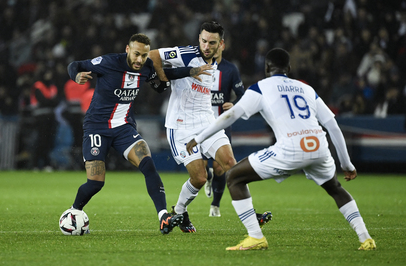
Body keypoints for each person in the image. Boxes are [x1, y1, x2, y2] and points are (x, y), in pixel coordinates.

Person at [186, 48, 376, 251]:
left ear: (267, 67)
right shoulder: (307, 89)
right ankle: (365, 239)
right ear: (289, 68)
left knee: (234, 177)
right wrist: (346, 164)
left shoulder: (260, 88)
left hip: (291, 149)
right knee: (335, 188)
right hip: (319, 147)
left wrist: (199, 137)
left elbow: (230, 116)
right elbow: (333, 126)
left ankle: (255, 237)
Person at [65, 33, 209, 235]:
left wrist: (191, 71)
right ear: (127, 50)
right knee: (95, 183)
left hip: (124, 128)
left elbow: (167, 74)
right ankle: (74, 211)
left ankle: (163, 217)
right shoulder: (108, 62)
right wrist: (76, 75)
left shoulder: (147, 67)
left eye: (144, 55)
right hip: (97, 128)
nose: (140, 60)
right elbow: (75, 64)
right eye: (136, 54)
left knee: (148, 164)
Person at [149, 21, 270, 232]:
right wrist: (164, 79)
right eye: (204, 41)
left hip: (207, 123)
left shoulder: (218, 63)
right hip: (181, 126)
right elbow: (152, 55)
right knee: (200, 177)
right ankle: (178, 212)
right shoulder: (185, 53)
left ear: (221, 44)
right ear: (199, 39)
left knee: (231, 163)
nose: (206, 46)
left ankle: (250, 214)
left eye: (212, 42)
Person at [203, 41, 245, 217]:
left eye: (215, 44)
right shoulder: (198, 66)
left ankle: (215, 205)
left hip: (221, 124)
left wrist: (233, 104)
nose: (211, 48)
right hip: (199, 122)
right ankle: (207, 176)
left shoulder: (230, 69)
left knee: (220, 168)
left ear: (222, 46)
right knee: (202, 165)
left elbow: (243, 94)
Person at [30, 70, 60, 171]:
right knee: (41, 140)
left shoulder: (52, 86)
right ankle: (35, 163)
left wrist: (49, 102)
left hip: (50, 117)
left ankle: (45, 163)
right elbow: (42, 101)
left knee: (48, 141)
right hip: (40, 117)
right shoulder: (38, 85)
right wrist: (50, 101)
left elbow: (56, 101)